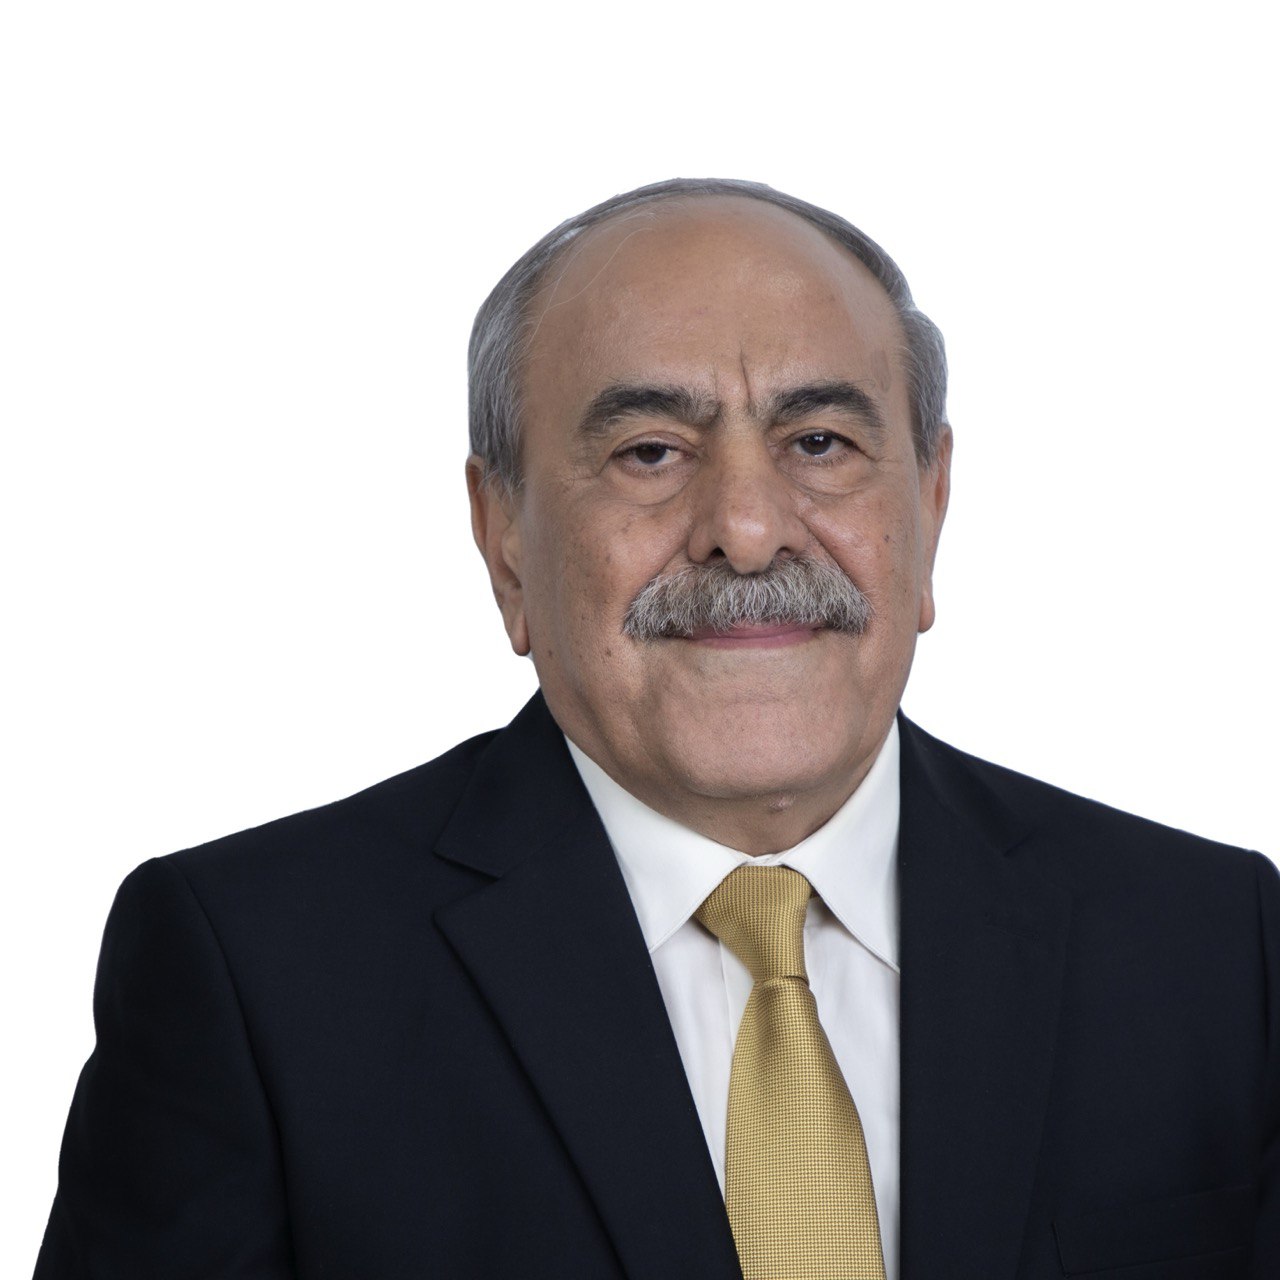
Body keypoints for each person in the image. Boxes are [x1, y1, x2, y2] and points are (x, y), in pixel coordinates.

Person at [35, 178, 1279, 1280]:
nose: (745, 527)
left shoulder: (1214, 950)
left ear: (930, 501)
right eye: (648, 452)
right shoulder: (255, 978)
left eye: (819, 441)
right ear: (503, 536)